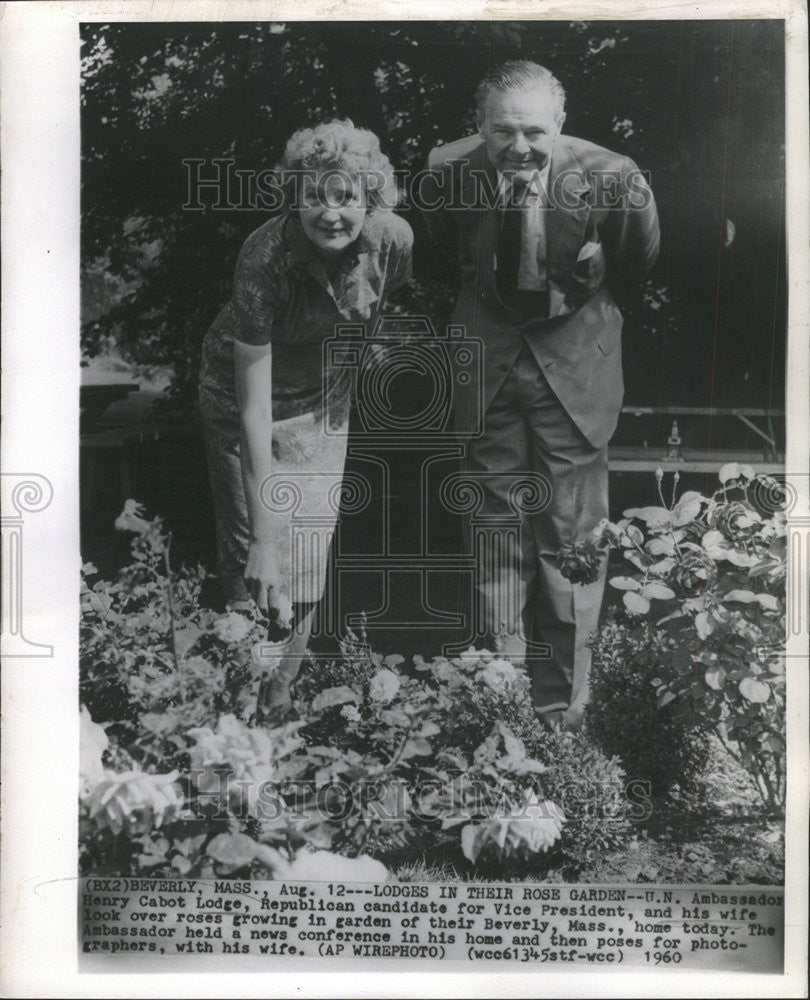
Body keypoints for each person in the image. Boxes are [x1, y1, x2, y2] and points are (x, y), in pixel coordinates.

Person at [422, 60, 660, 728]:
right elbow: (448, 252)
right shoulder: (446, 170)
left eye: (534, 130)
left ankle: (563, 716)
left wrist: (603, 263)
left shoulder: (614, 176)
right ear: (479, 127)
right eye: (504, 131)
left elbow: (640, 259)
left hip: (573, 365)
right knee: (494, 538)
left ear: (560, 123)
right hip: (487, 362)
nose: (519, 146)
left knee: (573, 542)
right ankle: (500, 709)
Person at [199, 120, 413, 715]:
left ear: (369, 198)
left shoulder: (393, 240)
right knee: (257, 551)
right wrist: (266, 536)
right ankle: (239, 715)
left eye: (345, 196)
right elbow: (253, 404)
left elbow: (369, 314)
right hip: (242, 399)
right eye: (312, 195)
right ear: (294, 196)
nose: (329, 212)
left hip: (323, 395)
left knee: (309, 549)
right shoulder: (264, 258)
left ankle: (280, 701)